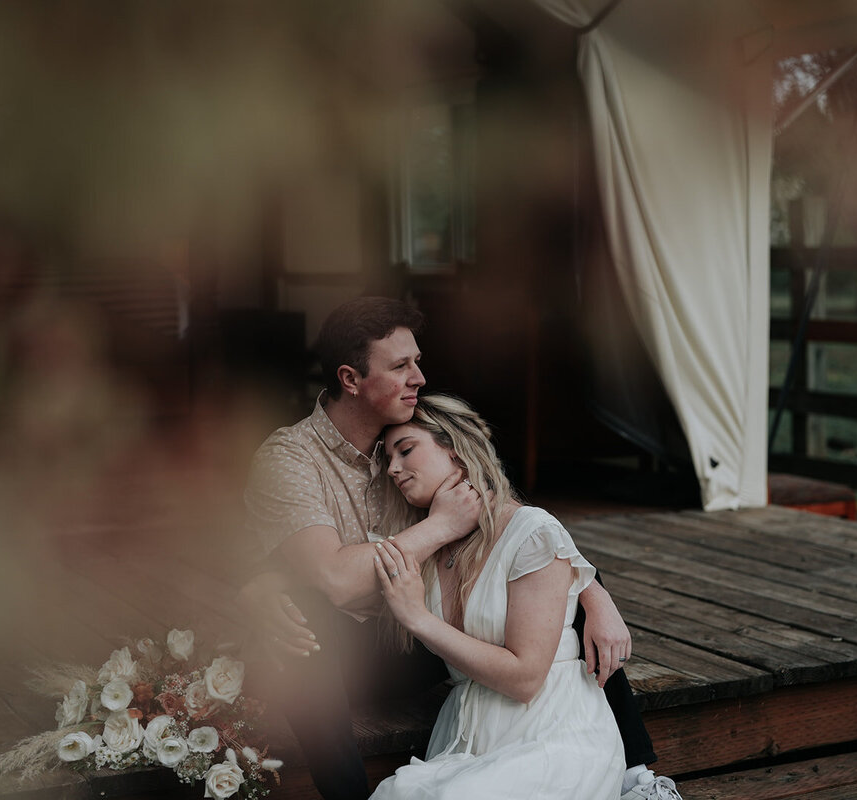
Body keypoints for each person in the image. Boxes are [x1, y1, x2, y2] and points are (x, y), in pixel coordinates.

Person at [238, 296, 682, 800]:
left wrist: (596, 594)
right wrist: (441, 526)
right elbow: (335, 579)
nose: (419, 378)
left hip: (418, 632)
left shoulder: (403, 436)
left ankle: (637, 776)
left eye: (417, 362)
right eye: (401, 366)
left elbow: (516, 528)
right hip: (352, 646)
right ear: (350, 379)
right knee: (302, 621)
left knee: (561, 597)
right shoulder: (292, 458)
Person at [369, 394, 623, 798]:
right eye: (387, 460)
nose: (393, 469)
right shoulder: (425, 543)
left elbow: (525, 679)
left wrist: (418, 618)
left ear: (454, 448)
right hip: (466, 735)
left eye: (406, 450)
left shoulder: (531, 532)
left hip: (549, 733)